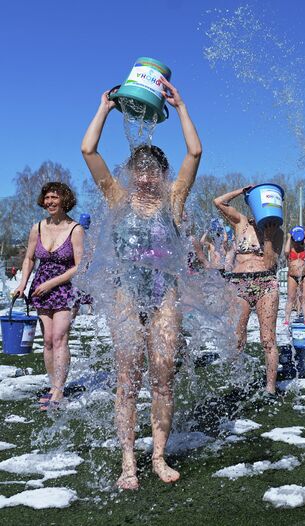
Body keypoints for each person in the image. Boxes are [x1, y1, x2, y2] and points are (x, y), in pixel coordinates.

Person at [81, 78, 201, 489]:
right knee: (128, 378)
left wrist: (181, 107)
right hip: (127, 294)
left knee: (163, 376)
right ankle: (128, 462)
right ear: (131, 174)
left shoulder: (173, 202)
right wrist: (105, 109)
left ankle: (159, 457)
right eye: (141, 171)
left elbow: (195, 152)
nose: (148, 179)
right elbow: (89, 151)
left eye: (155, 172)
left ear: (164, 176)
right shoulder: (117, 198)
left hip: (164, 294)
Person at [13, 182, 84, 410]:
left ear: (64, 200)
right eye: (47, 198)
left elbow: (80, 266)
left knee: (59, 338)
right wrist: (22, 284)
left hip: (66, 287)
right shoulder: (38, 227)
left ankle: (60, 391)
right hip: (40, 288)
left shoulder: (76, 229)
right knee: (47, 340)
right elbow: (29, 258)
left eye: (54, 197)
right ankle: (53, 385)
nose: (50, 202)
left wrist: (52, 283)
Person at [213, 186, 283, 395]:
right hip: (239, 283)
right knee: (237, 338)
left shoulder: (277, 231)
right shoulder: (241, 222)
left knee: (268, 339)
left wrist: (268, 238)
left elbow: (271, 264)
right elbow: (218, 201)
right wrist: (241, 190)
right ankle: (237, 382)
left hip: (265, 283)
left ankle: (270, 387)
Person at [283, 226, 305, 326]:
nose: (297, 243)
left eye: (299, 242)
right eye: (295, 241)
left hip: (303, 276)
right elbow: (285, 251)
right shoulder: (290, 251)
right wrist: (288, 237)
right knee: (291, 298)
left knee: (304, 298)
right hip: (292, 276)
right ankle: (287, 319)